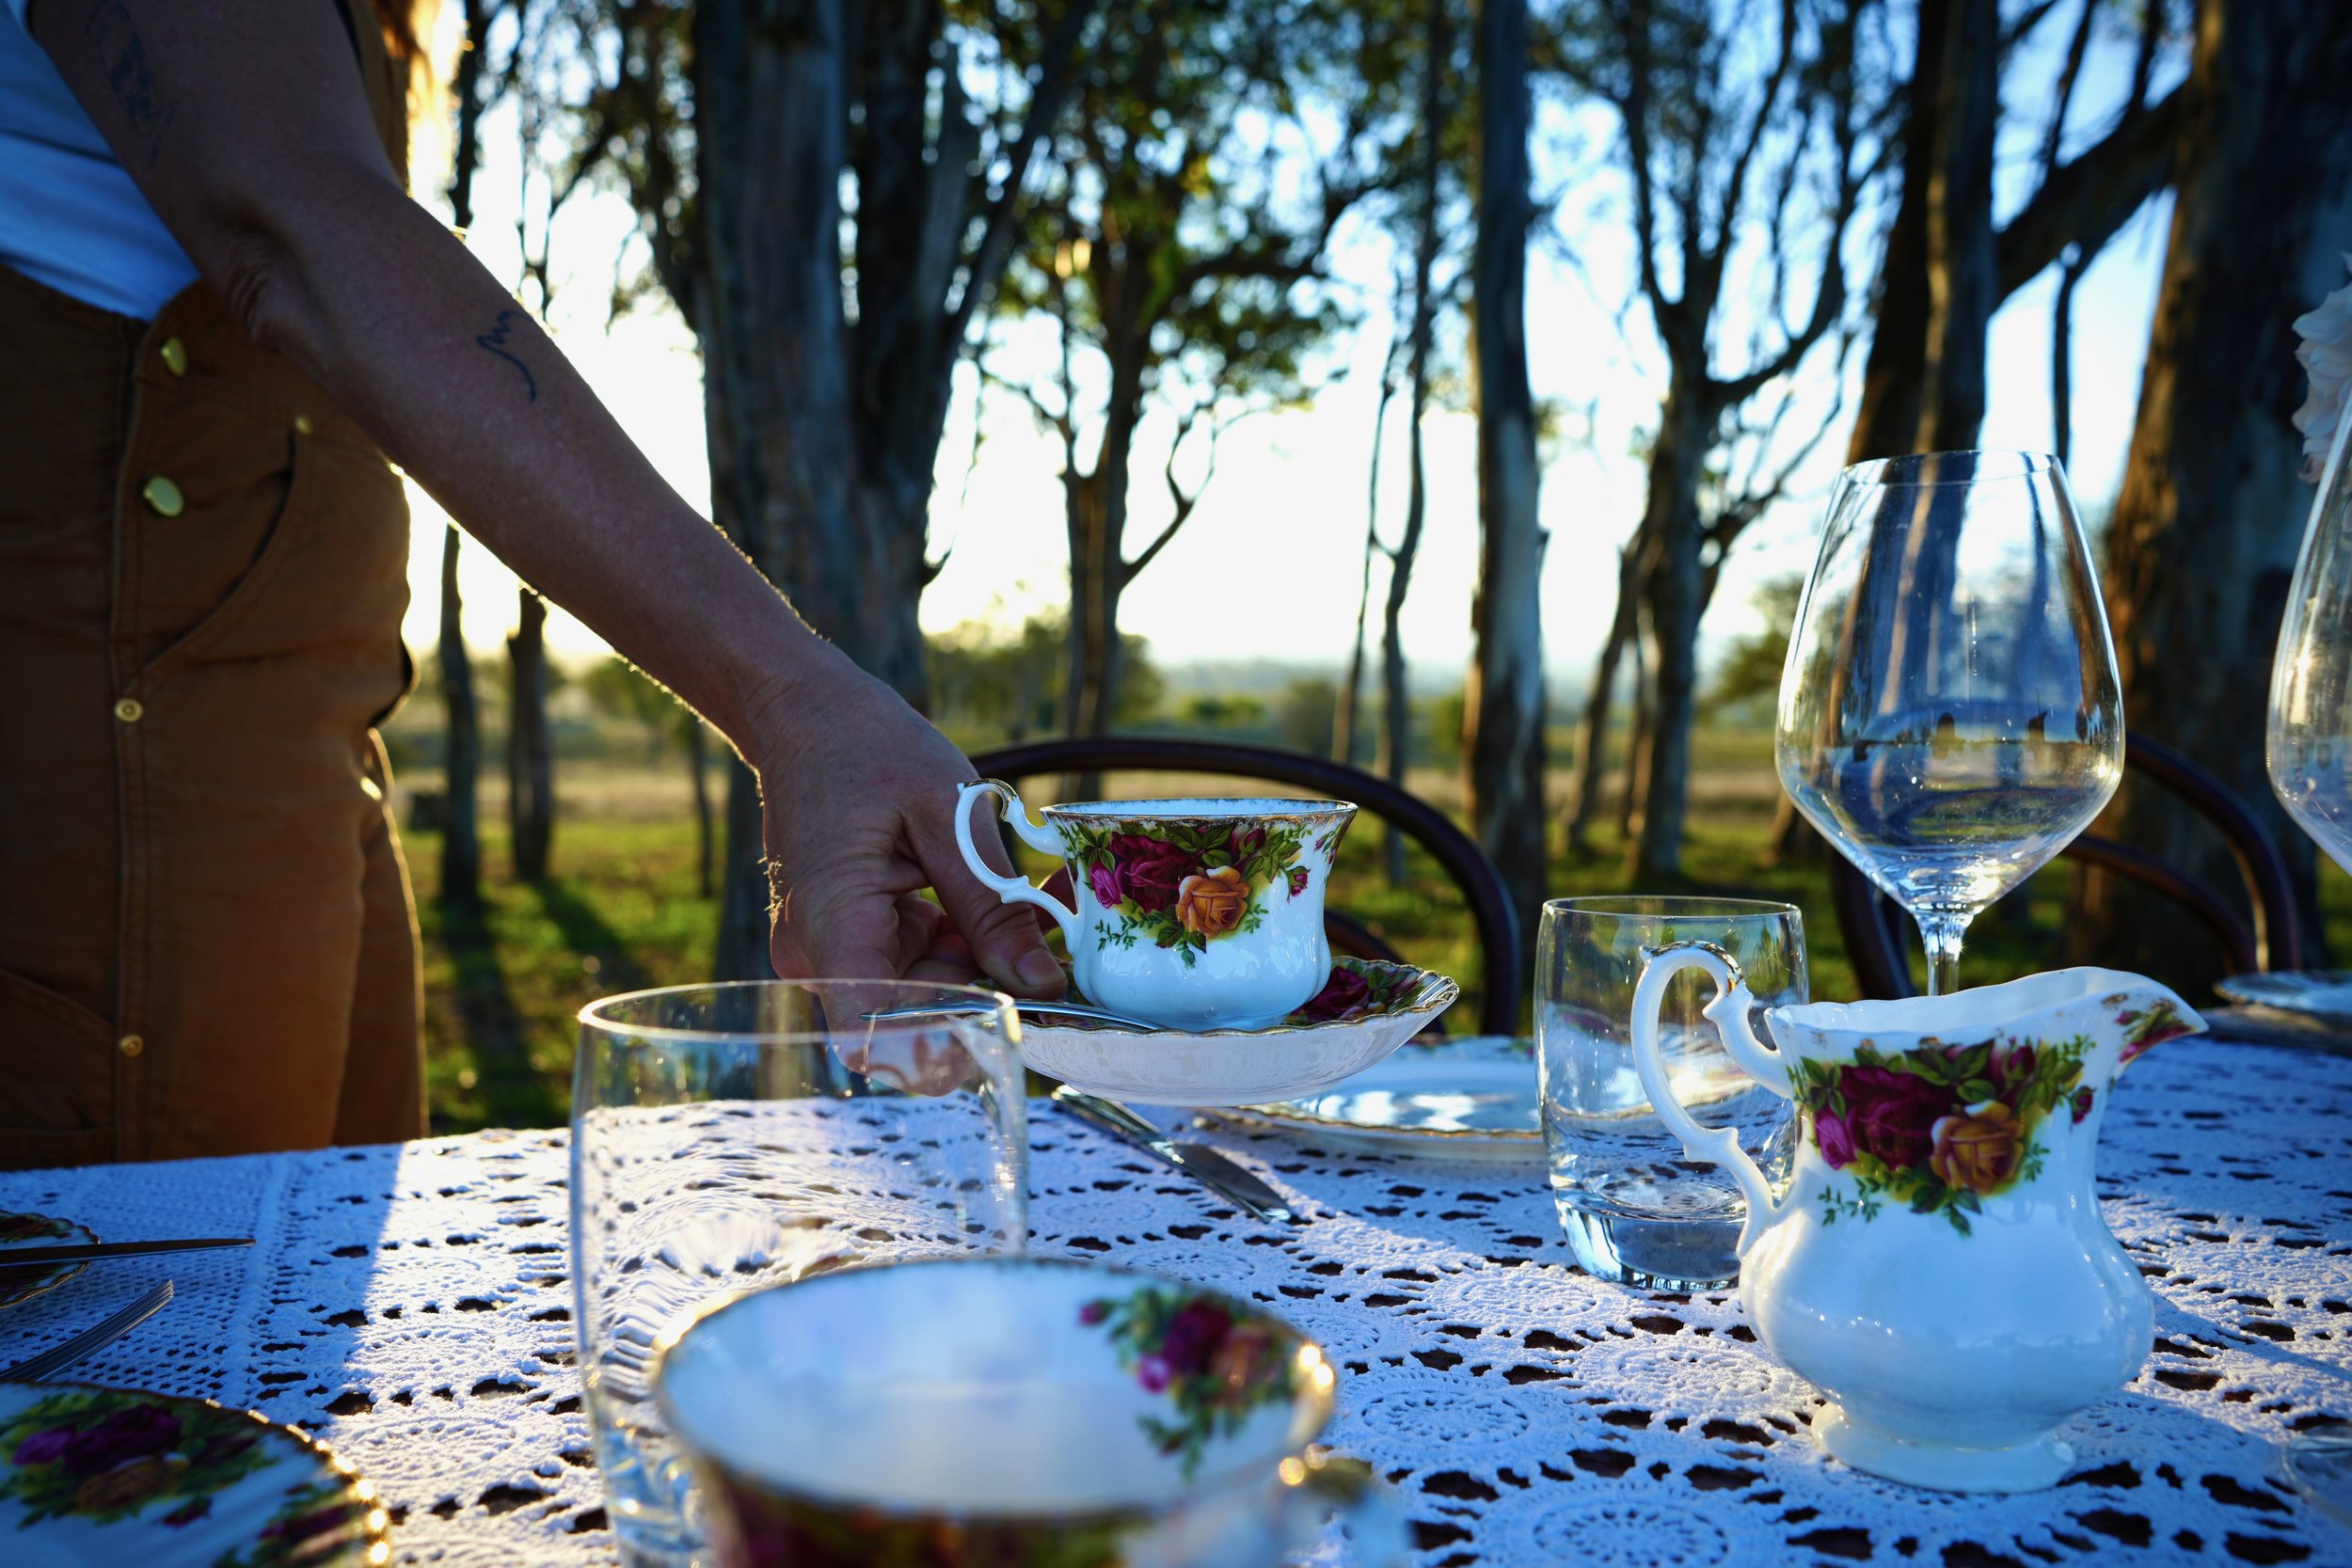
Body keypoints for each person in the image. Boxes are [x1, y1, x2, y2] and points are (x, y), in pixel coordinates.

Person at [0, 0, 1063, 1170]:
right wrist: (789, 695)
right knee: (162, 1276)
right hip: (114, 771)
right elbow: (291, 227)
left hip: (307, 764)